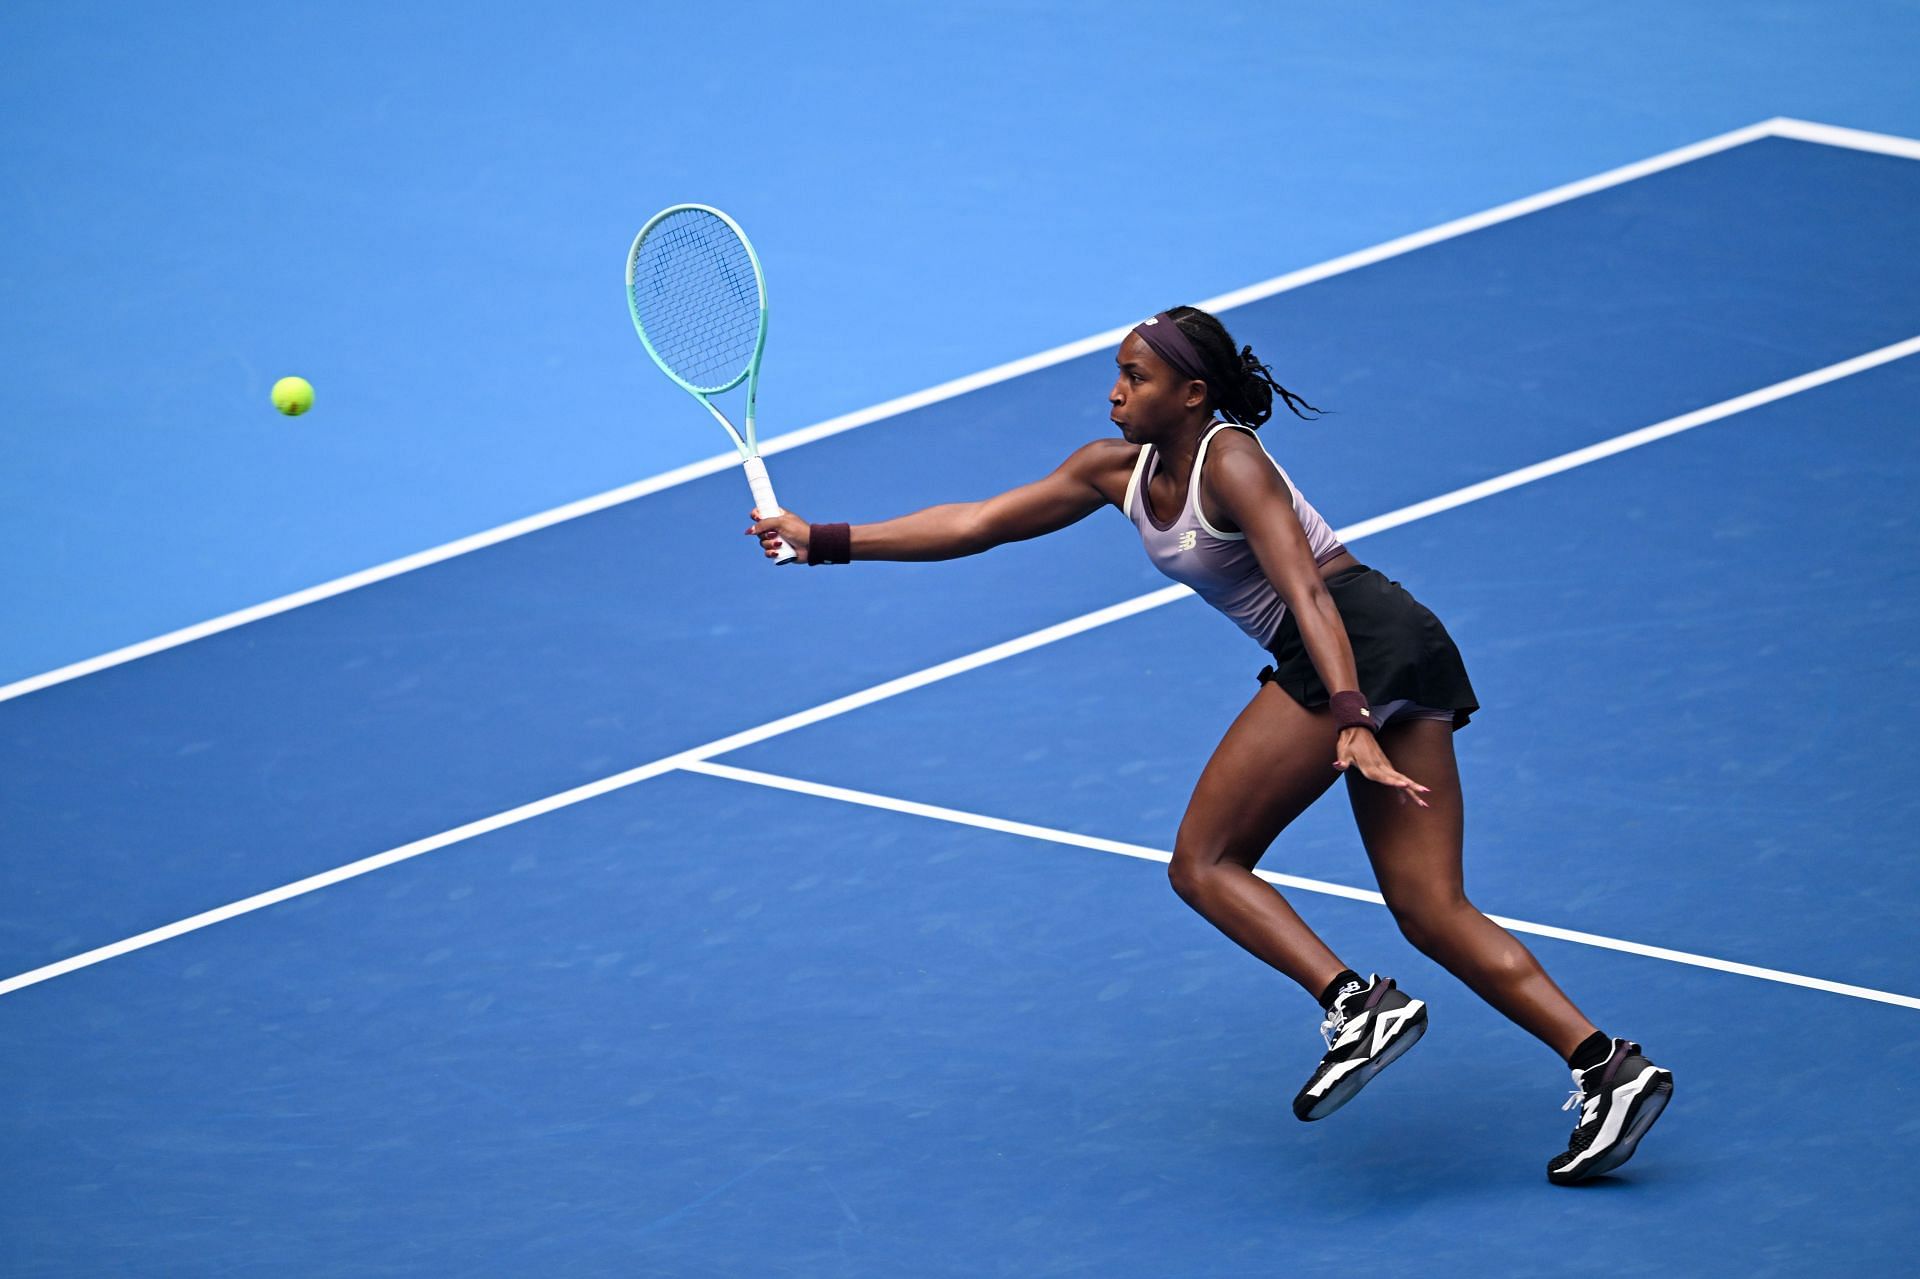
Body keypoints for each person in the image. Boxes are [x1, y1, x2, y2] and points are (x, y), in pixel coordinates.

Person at [747, 306, 1673, 1184]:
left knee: (1204, 862)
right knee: (1432, 908)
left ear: (1191, 393)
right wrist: (824, 539)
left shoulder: (1232, 462)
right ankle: (1609, 1066)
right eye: (1116, 373)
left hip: (1351, 639)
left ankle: (1359, 1006)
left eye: (1136, 375)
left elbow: (1308, 594)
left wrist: (1349, 714)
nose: (1116, 390)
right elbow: (981, 522)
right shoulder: (1112, 470)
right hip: (1396, 644)